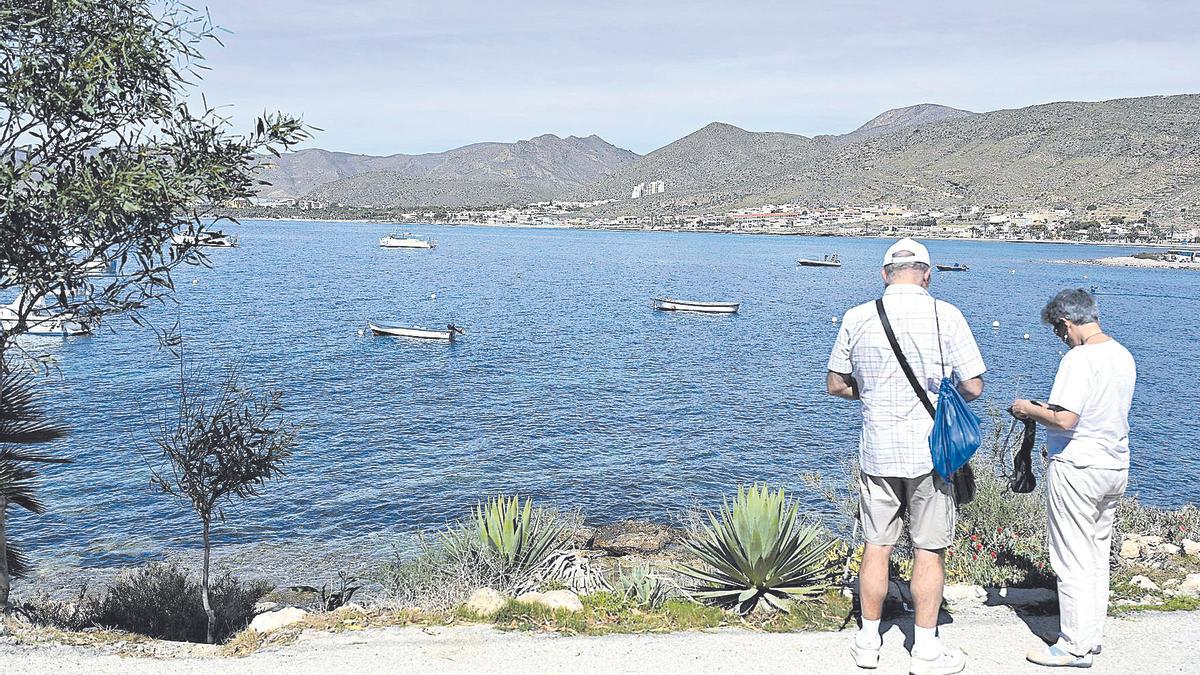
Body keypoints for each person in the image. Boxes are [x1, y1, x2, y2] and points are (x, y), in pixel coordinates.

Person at [827, 238, 986, 675]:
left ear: (883, 275)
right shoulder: (946, 315)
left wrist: (873, 391)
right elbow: (973, 386)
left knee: (875, 546)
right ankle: (927, 651)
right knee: (928, 551)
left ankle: (867, 644)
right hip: (932, 454)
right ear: (927, 274)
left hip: (877, 451)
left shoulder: (858, 317)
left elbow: (836, 385)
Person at [1012, 288, 1136, 668]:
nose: (1060, 339)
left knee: (1070, 557)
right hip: (1113, 465)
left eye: (1057, 331)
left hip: (1078, 467)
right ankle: (1089, 635)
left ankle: (1073, 646)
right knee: (1097, 554)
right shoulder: (1122, 354)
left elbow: (1066, 419)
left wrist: (1027, 408)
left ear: (1066, 324)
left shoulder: (1079, 359)